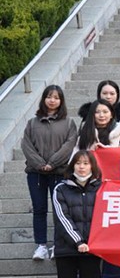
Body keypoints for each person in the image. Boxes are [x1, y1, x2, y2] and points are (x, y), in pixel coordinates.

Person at [75, 99, 120, 278]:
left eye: (105, 111)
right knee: (91, 233)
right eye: (97, 112)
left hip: (115, 190)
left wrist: (109, 153)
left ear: (112, 114)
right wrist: (90, 155)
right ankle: (93, 277)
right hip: (90, 190)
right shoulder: (84, 135)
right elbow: (74, 160)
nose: (101, 115)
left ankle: (111, 277)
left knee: (115, 232)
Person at [50, 150, 102, 278]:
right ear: (72, 166)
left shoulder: (101, 188)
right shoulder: (60, 189)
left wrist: (93, 242)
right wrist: (78, 241)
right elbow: (61, 218)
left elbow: (105, 216)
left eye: (86, 163)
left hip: (92, 250)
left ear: (92, 166)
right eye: (78, 163)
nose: (82, 167)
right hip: (66, 250)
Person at [22, 85, 78, 261]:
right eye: (49, 97)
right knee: (39, 208)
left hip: (59, 172)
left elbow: (69, 145)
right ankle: (41, 245)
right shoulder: (33, 123)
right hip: (36, 173)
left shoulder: (68, 123)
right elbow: (26, 145)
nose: (52, 100)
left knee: (59, 210)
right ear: (44, 99)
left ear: (61, 101)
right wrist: (40, 164)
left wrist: (52, 163)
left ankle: (57, 244)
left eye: (56, 97)